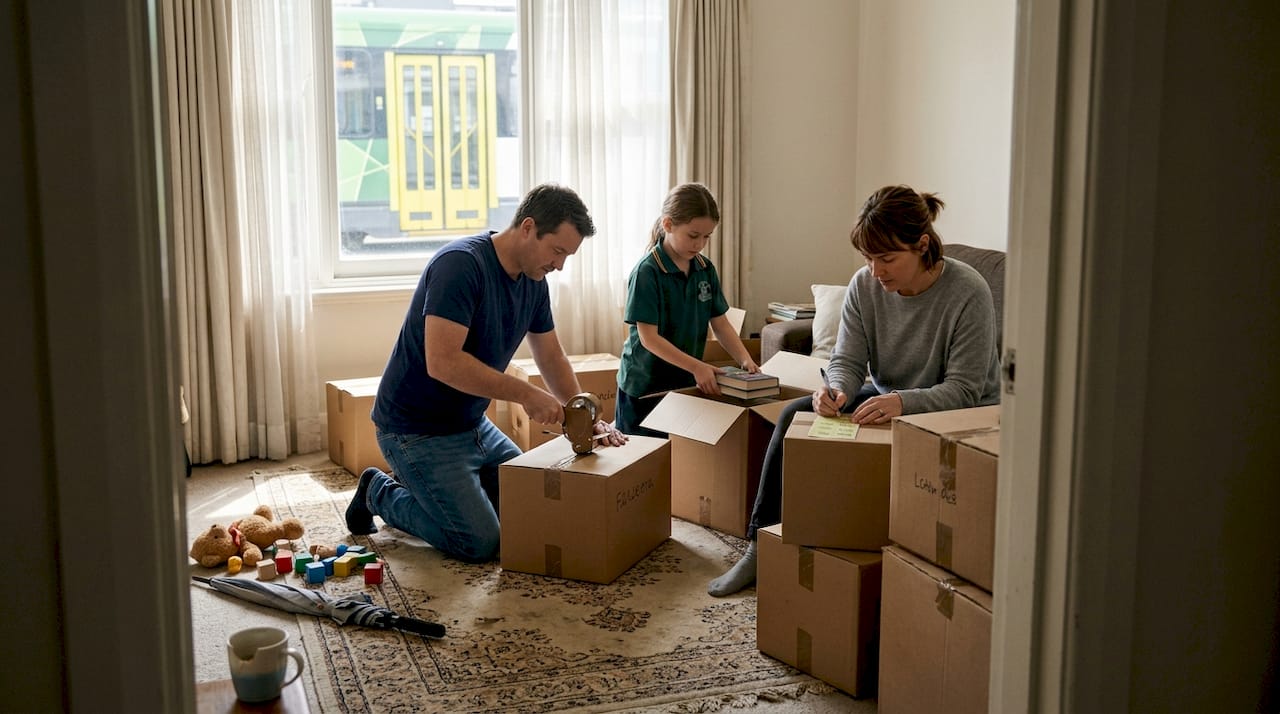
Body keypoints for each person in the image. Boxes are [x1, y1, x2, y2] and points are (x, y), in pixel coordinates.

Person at [707, 185, 1002, 596]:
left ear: (922, 245)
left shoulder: (968, 291)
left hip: (958, 412)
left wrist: (902, 402)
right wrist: (836, 391)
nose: (876, 271)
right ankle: (759, 544)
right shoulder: (864, 285)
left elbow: (965, 390)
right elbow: (847, 360)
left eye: (887, 258)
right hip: (888, 397)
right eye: (867, 258)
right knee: (793, 415)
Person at [345, 183, 627, 563]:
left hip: (472, 424)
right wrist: (526, 394)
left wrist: (583, 414)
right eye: (557, 251)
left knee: (528, 509)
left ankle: (436, 489)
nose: (559, 265)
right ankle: (378, 492)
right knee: (479, 541)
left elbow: (551, 355)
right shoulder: (460, 266)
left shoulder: (534, 281)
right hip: (415, 430)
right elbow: (443, 362)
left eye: (567, 256)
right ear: (528, 228)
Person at [615, 182, 761, 437]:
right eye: (693, 236)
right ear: (668, 224)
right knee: (642, 456)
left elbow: (720, 323)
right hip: (644, 386)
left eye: (707, 237)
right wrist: (697, 367)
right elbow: (649, 339)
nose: (700, 244)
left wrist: (745, 359)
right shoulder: (647, 272)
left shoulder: (705, 269)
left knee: (678, 456)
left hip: (684, 383)